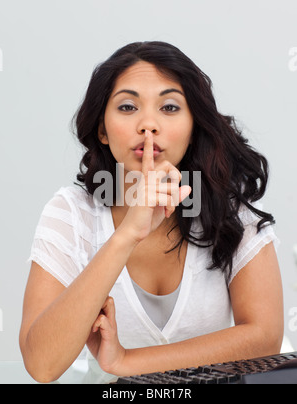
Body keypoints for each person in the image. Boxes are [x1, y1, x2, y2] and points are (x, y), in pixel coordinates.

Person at [19, 41, 284, 384]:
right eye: (127, 107)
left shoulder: (231, 203)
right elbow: (42, 365)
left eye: (169, 107)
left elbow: (265, 338)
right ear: (102, 129)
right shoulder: (71, 212)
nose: (148, 124)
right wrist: (127, 234)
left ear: (193, 127)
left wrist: (127, 361)